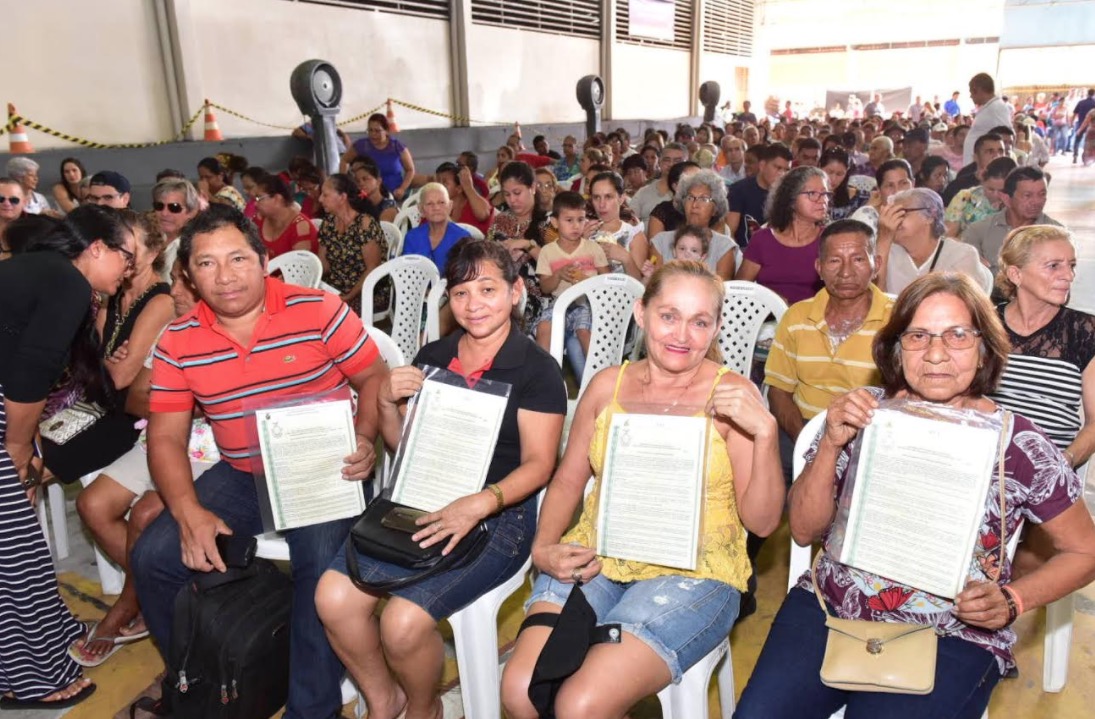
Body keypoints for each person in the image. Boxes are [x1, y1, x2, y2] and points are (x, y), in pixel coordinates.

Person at [735, 272, 1095, 719]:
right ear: (896, 348)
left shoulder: (1018, 445)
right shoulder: (864, 415)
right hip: (833, 607)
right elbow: (805, 532)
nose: (936, 354)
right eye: (918, 336)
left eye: (957, 335)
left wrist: (1013, 599)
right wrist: (830, 443)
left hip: (953, 630)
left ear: (984, 347)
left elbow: (1085, 550)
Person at [130, 205, 387, 719]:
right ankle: (202, 680)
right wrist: (188, 513)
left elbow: (375, 377)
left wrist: (364, 438)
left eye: (238, 259)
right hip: (243, 472)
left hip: (322, 465)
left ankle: (311, 709)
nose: (225, 276)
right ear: (188, 276)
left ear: (264, 260)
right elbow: (165, 438)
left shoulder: (317, 309)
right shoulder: (179, 341)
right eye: (206, 264)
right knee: (154, 557)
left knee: (318, 568)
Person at [501, 260, 785, 719]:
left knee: (580, 704)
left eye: (699, 322)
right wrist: (543, 547)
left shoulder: (732, 397)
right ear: (641, 312)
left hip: (695, 572)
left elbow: (764, 522)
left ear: (715, 329)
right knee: (520, 690)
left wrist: (766, 434)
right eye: (668, 316)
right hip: (598, 554)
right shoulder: (606, 387)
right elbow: (570, 477)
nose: (682, 335)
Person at [317, 237, 565, 719]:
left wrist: (480, 502)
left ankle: (423, 707)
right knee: (332, 598)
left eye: (488, 290)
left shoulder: (537, 370)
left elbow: (539, 465)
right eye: (461, 293)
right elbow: (405, 446)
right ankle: (383, 698)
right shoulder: (434, 355)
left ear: (515, 292)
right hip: (423, 495)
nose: (474, 305)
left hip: (499, 515)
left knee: (401, 623)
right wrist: (386, 401)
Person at [0, 205, 137, 709]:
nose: (129, 269)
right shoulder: (68, 282)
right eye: (126, 257)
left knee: (21, 543)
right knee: (12, 551)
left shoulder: (45, 271)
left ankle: (48, 633)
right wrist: (20, 451)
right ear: (96, 248)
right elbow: (28, 376)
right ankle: (28, 678)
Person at [70, 258, 215, 667]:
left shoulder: (229, 331)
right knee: (92, 504)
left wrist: (174, 400)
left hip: (211, 451)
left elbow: (228, 409)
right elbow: (135, 398)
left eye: (185, 284)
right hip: (158, 439)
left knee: (147, 512)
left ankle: (127, 605)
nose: (176, 292)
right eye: (175, 281)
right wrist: (188, 403)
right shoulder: (173, 333)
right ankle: (155, 590)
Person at [39, 211, 171, 486]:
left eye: (132, 247)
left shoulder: (161, 302)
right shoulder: (113, 293)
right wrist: (103, 364)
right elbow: (84, 362)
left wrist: (99, 365)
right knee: (26, 447)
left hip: (125, 417)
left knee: (33, 464)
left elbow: (120, 378)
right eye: (118, 245)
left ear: (153, 252)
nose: (124, 254)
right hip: (91, 403)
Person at [764, 219, 893, 483]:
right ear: (819, 268)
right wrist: (807, 441)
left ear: (876, 265)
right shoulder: (797, 316)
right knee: (761, 476)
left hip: (866, 434)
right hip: (800, 427)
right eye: (834, 261)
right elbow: (779, 390)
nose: (846, 272)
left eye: (858, 259)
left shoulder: (896, 320)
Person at [735, 166, 827, 304]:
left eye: (825, 193)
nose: (823, 200)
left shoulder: (830, 240)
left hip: (814, 315)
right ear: (791, 199)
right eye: (812, 193)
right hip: (767, 315)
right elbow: (740, 291)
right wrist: (771, 299)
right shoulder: (762, 240)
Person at [876, 188, 990, 295]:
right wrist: (884, 239)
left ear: (930, 216)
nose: (893, 220)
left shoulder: (961, 255)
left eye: (902, 212)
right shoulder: (886, 251)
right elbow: (875, 300)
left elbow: (969, 304)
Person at [536, 190, 610, 354]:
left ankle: (597, 368)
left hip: (587, 304)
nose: (576, 226)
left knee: (584, 332)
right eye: (569, 220)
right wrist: (557, 275)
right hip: (559, 303)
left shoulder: (593, 248)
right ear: (555, 222)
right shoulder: (547, 251)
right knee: (544, 327)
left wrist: (586, 280)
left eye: (580, 220)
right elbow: (545, 288)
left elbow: (607, 283)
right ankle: (546, 367)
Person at [487, 161, 551, 336]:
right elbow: (487, 257)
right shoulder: (501, 220)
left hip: (535, 295)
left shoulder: (549, 223)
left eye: (517, 193)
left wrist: (528, 246)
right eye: (507, 194)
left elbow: (555, 263)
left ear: (533, 188)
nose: (512, 200)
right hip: (501, 288)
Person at [963, 166, 1061, 276]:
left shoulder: (1058, 235)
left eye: (1042, 194)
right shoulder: (978, 231)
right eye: (1027, 195)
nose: (1036, 201)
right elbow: (968, 279)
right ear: (1006, 199)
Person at [317, 173, 389, 308]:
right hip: (336, 287)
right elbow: (323, 265)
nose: (320, 199)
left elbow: (372, 268)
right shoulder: (328, 223)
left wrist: (348, 297)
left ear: (342, 197)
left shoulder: (364, 224)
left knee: (331, 312)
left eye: (325, 195)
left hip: (366, 290)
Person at [727, 143, 792, 249]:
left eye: (786, 170)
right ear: (762, 166)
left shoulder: (789, 195)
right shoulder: (739, 190)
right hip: (743, 251)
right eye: (778, 168)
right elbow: (729, 232)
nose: (782, 174)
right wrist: (738, 256)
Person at [588, 171, 649, 279]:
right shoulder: (585, 231)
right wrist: (581, 242)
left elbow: (639, 284)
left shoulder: (634, 235)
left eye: (608, 197)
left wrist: (626, 257)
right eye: (596, 197)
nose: (601, 204)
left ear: (621, 198)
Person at [341, 113, 416, 201]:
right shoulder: (361, 146)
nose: (373, 134)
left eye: (377, 131)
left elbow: (410, 170)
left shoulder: (397, 147)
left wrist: (402, 189)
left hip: (394, 195)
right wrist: (344, 183)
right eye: (370, 130)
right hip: (367, 196)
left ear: (386, 131)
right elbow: (344, 161)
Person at [401, 182, 471, 274]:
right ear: (421, 209)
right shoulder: (412, 237)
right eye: (429, 204)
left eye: (441, 202)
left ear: (450, 206)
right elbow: (406, 272)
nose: (436, 208)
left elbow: (465, 274)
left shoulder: (462, 238)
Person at [943, 156, 1015, 238]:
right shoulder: (965, 197)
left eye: (1002, 191)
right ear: (983, 181)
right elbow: (948, 236)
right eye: (990, 189)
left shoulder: (1016, 204)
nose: (995, 195)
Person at [253, 173, 319, 259]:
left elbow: (300, 265)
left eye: (259, 198)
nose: (255, 204)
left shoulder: (300, 227)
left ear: (277, 198)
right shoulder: (258, 220)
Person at [942, 132, 1006, 207]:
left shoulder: (1012, 184)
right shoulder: (958, 186)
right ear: (976, 157)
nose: (997, 156)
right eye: (990, 152)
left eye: (1001, 151)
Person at [631, 143, 688, 226]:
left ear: (687, 164)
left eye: (677, 161)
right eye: (666, 160)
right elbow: (630, 220)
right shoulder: (643, 192)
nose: (671, 164)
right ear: (659, 162)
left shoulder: (690, 192)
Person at [964, 73, 1014, 165]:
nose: (970, 96)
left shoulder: (997, 108)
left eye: (971, 92)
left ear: (978, 89)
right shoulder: (990, 107)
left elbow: (1005, 138)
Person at [435, 161, 494, 236]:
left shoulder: (473, 204)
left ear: (459, 188)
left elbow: (483, 215)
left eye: (445, 182)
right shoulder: (434, 207)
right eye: (437, 182)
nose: (439, 186)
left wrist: (468, 187)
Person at [152, 177, 201, 250]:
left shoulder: (194, 247)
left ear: (191, 212)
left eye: (174, 207)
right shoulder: (147, 239)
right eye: (159, 206)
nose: (164, 213)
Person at [820, 148, 867, 221]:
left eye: (839, 174)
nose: (833, 179)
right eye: (830, 172)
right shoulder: (806, 193)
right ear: (820, 167)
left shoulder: (858, 198)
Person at [350, 156, 399, 223]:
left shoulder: (389, 207)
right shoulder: (358, 205)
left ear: (378, 181)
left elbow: (381, 228)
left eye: (365, 179)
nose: (361, 183)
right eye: (358, 181)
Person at [0, 177, 25, 254]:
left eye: (14, 200)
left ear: (24, 202)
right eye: (1, 199)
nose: (7, 203)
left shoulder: (36, 231)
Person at [1071, 88, 1095, 164]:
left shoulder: (1081, 102)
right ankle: (1088, 158)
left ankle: (1075, 155)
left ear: (1087, 94)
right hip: (1091, 125)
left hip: (1081, 123)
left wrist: (1071, 122)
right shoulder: (1094, 103)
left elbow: (1075, 113)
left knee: (1077, 140)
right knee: (1090, 143)